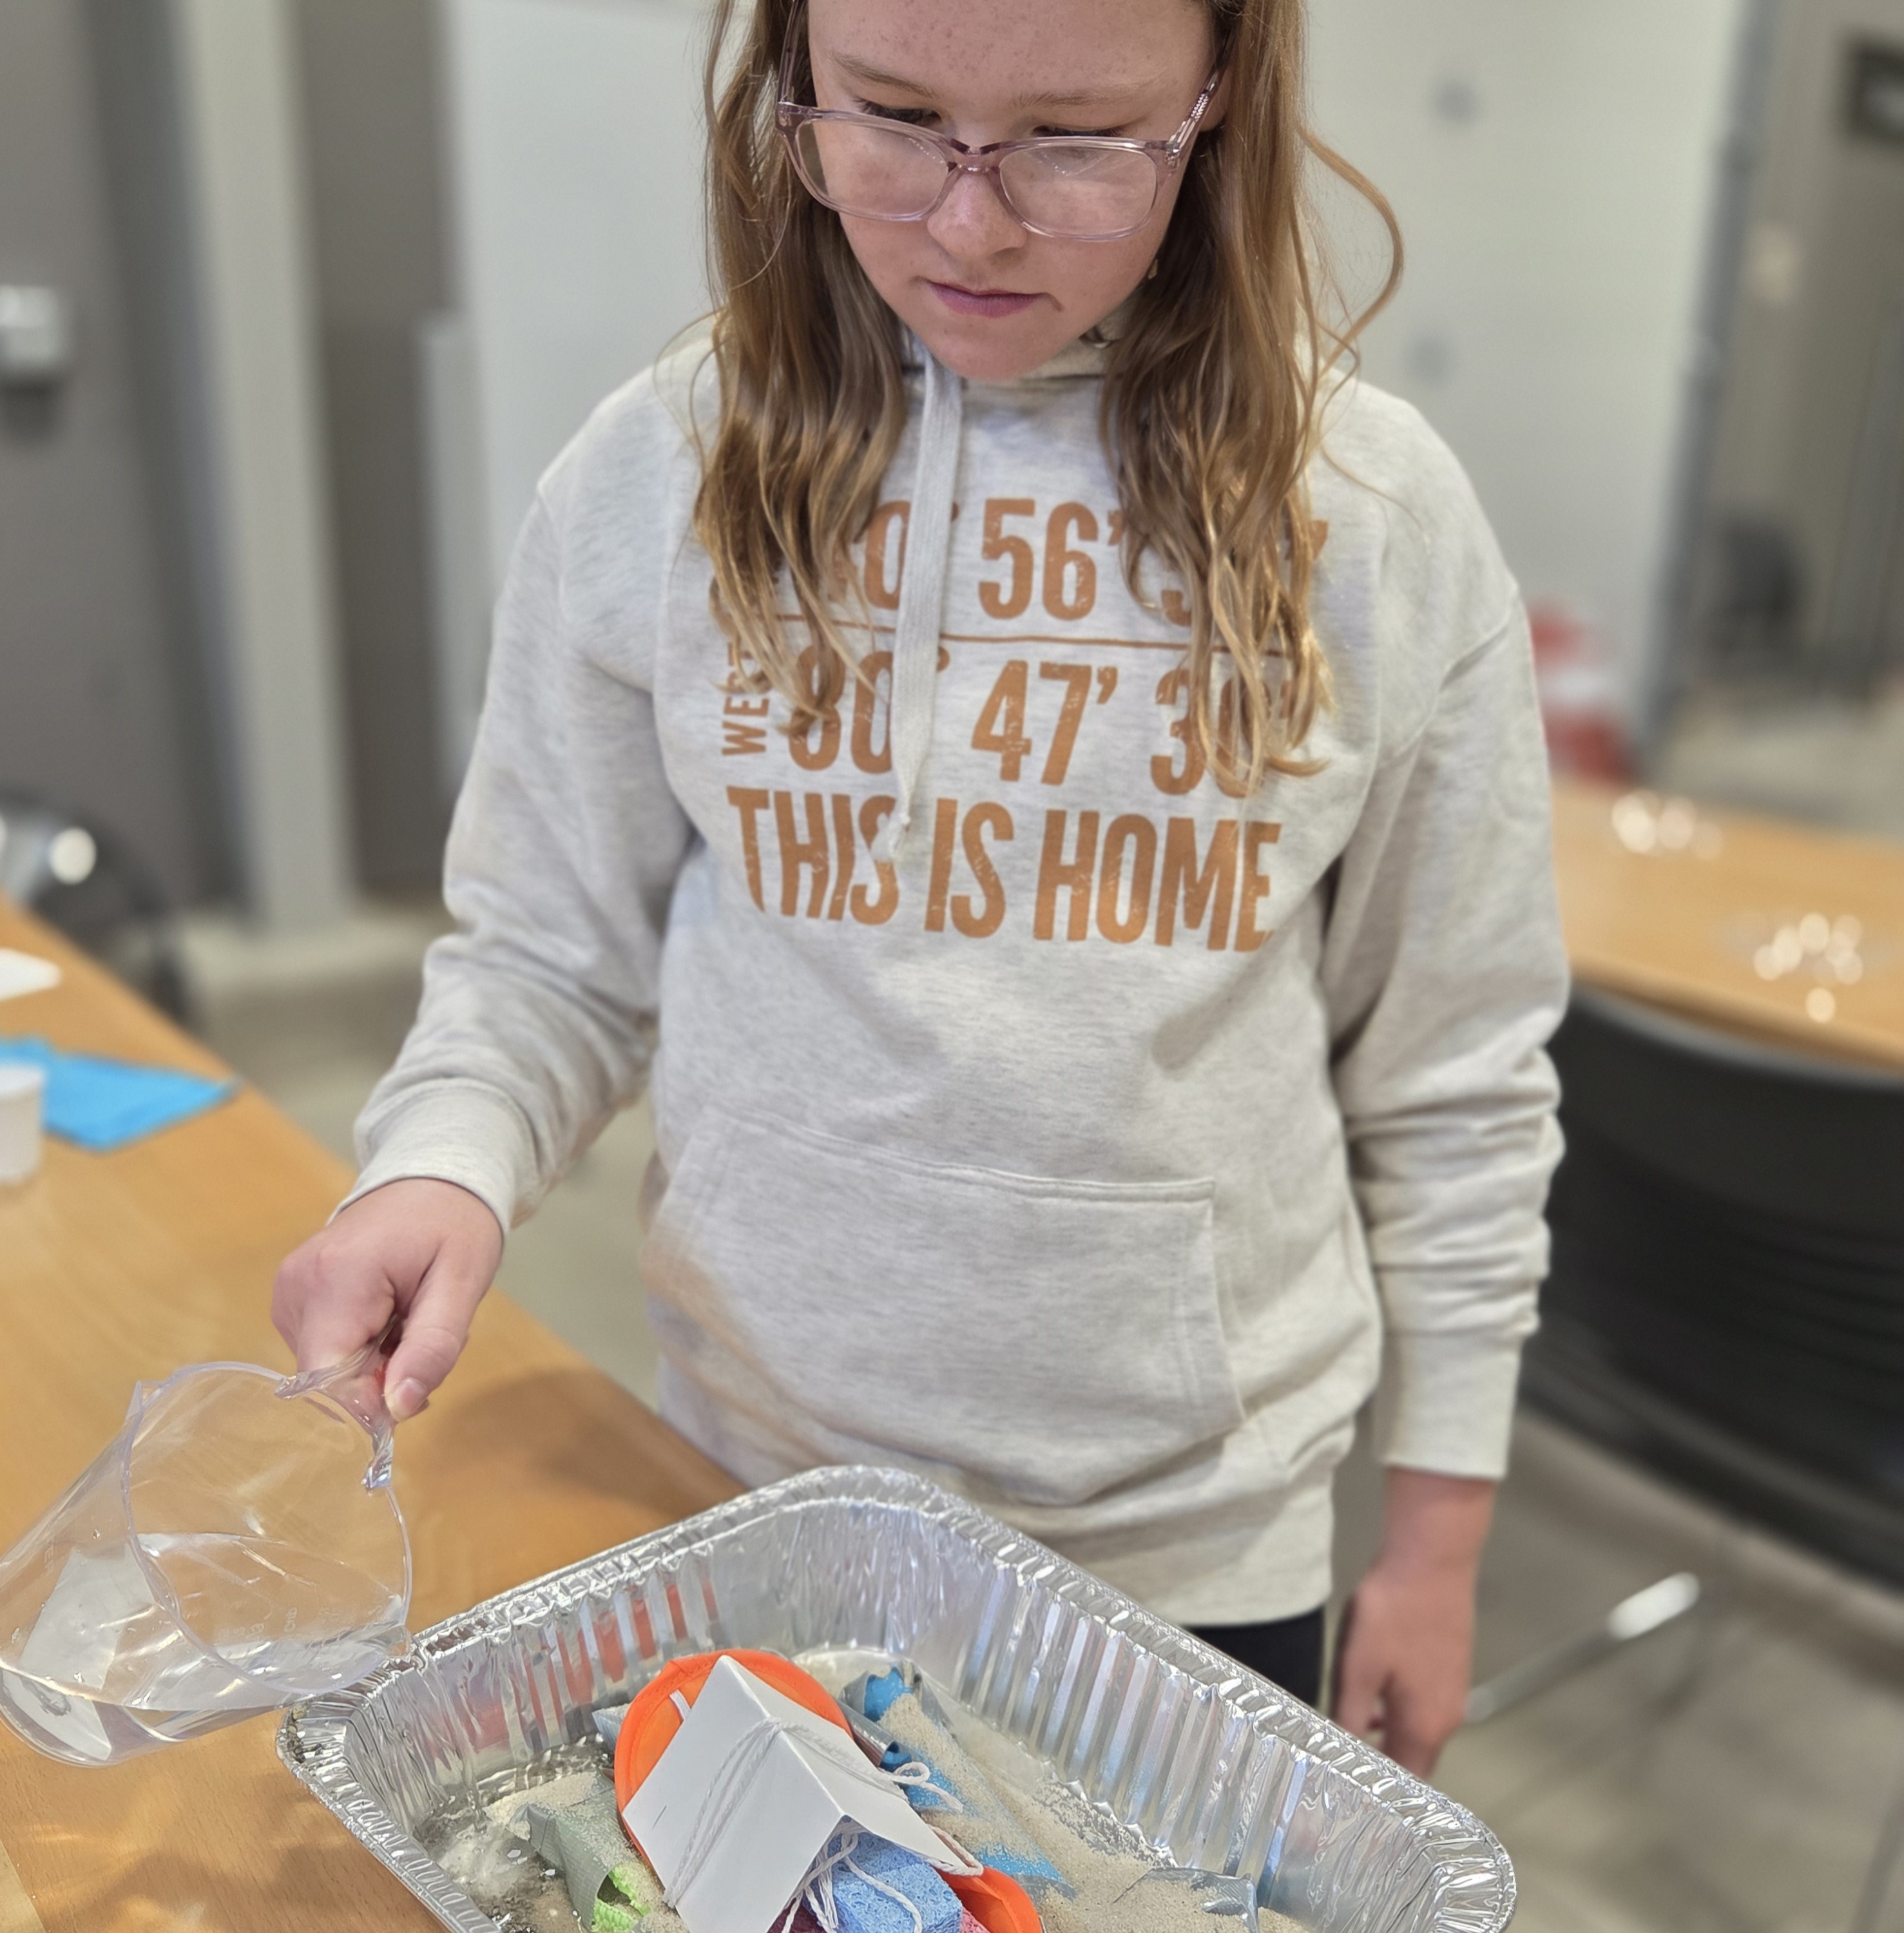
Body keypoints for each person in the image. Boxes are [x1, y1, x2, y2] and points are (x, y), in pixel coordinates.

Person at [272, 0, 1566, 1776]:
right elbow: (549, 958)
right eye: (890, 115)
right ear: (782, 87)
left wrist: (1435, 1546)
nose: (970, 222)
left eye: (1076, 142)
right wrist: (444, 1166)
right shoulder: (661, 472)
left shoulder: (1377, 517)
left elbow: (1458, 1079)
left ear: (1218, 109)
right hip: (746, 1486)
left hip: (1189, 1552)